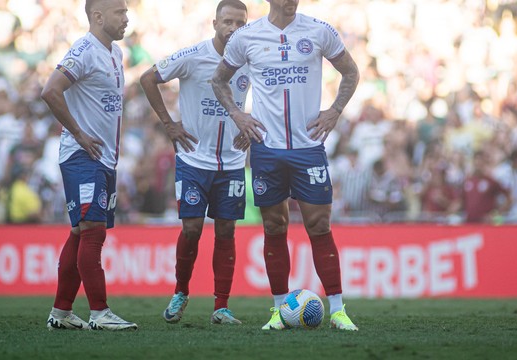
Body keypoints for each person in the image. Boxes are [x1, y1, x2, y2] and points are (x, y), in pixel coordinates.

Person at [211, 0, 360, 330]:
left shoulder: (320, 31)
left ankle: (337, 309)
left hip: (308, 148)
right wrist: (237, 115)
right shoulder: (247, 37)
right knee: (274, 227)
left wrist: (334, 111)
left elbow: (351, 71)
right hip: (267, 149)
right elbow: (219, 80)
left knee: (319, 226)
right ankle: (279, 310)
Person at [139, 0, 250, 325]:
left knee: (227, 230)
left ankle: (221, 306)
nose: (233, 28)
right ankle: (181, 291)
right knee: (191, 228)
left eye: (239, 23)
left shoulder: (250, 59)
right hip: (193, 159)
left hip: (231, 161)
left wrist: (252, 122)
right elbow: (148, 78)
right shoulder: (193, 56)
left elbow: (269, 95)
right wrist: (168, 123)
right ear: (214, 23)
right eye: (227, 21)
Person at [40, 0, 136, 331]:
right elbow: (50, 90)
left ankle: (61, 313)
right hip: (84, 156)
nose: (126, 18)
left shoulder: (115, 53)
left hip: (102, 159)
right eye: (119, 12)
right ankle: (100, 312)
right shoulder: (84, 50)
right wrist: (79, 134)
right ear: (97, 16)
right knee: (92, 231)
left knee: (80, 232)